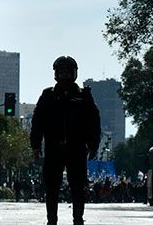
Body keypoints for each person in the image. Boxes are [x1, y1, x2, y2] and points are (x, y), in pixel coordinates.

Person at [30, 56, 101, 225]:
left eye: (67, 72)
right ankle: (51, 220)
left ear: (74, 74)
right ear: (55, 74)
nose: (64, 76)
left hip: (76, 149)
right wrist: (35, 145)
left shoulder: (84, 96)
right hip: (53, 148)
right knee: (51, 187)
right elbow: (37, 121)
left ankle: (78, 219)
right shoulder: (48, 96)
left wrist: (93, 145)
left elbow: (94, 122)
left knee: (78, 187)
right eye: (60, 72)